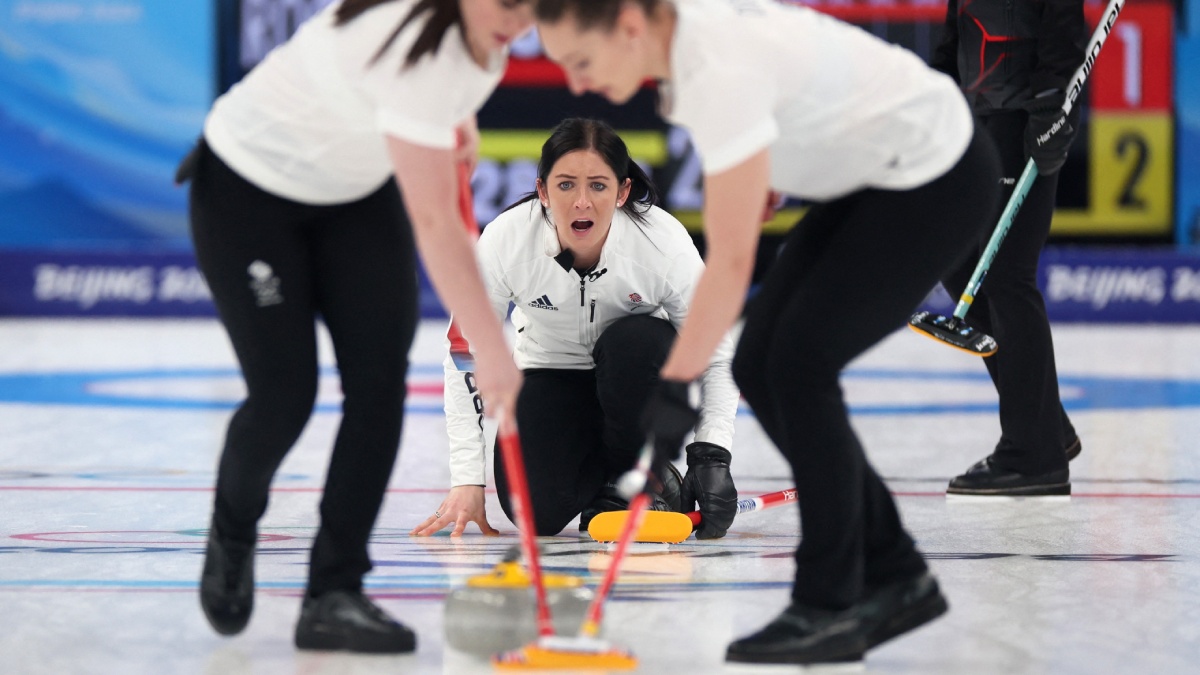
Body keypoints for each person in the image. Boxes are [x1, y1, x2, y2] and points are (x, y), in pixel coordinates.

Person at [532, 0, 1036, 666]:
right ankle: (895, 571)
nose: (576, 82)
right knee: (764, 359)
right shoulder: (683, 56)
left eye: (581, 61)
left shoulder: (714, 70)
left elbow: (731, 265)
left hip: (935, 174)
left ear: (628, 27)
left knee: (798, 363)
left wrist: (676, 386)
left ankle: (829, 601)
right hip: (873, 178)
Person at [180, 0, 532, 653]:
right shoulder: (406, 39)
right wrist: (491, 344)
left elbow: (442, 93)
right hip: (248, 191)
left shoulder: (481, 41)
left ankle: (334, 591)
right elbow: (437, 226)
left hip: (354, 194)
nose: (520, 19)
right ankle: (233, 528)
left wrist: (460, 118)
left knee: (378, 386)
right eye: (508, 2)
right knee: (284, 396)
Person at [409, 117, 740, 539]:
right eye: (565, 185)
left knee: (635, 342)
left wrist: (712, 455)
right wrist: (468, 481)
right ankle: (616, 483)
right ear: (543, 191)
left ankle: (639, 473)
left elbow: (714, 347)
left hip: (634, 372)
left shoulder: (662, 242)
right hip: (551, 372)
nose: (582, 202)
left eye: (598, 186)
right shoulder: (506, 240)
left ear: (623, 192)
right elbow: (464, 354)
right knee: (533, 514)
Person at [931, 0, 1085, 496]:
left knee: (1005, 277)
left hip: (1026, 118)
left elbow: (1062, 28)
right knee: (956, 264)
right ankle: (1044, 426)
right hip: (978, 117)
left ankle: (1032, 455)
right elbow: (956, 35)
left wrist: (1053, 106)